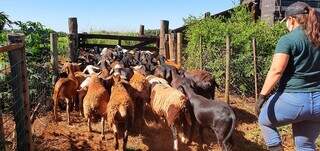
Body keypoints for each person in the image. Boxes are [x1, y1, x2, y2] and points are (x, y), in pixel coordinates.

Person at [256, 1, 320, 151]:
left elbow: (276, 71)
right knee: (305, 145)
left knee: (264, 120)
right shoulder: (317, 37)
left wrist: (262, 97)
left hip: (294, 100)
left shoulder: (288, 40)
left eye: (286, 21)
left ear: (291, 19)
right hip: (318, 104)